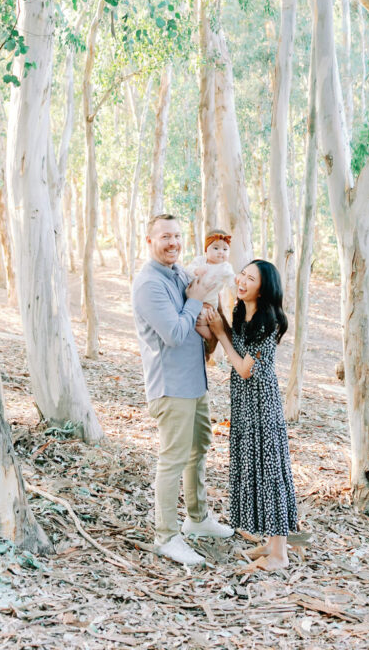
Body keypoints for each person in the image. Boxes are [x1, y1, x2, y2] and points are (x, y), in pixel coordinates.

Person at [132, 213, 234, 567]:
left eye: (176, 235)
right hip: (171, 387)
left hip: (194, 383)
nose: (173, 242)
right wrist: (194, 299)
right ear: (149, 241)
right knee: (173, 458)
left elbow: (200, 315)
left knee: (199, 447)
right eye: (164, 237)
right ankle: (166, 535)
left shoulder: (179, 273)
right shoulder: (149, 284)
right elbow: (175, 334)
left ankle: (197, 518)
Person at [205, 259, 298, 571]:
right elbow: (235, 345)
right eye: (242, 275)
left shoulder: (269, 320)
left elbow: (246, 368)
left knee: (271, 471)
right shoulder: (240, 311)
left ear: (264, 288)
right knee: (256, 466)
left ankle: (280, 554)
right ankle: (270, 544)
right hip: (244, 404)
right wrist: (219, 316)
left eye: (250, 279)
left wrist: (220, 332)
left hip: (263, 403)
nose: (242, 282)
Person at [185, 229, 236, 312]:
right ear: (206, 250)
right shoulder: (200, 260)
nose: (220, 252)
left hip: (209, 304)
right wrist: (196, 271)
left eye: (225, 249)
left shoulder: (225, 267)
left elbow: (232, 282)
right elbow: (187, 270)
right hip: (190, 299)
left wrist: (236, 292)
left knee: (203, 320)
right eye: (216, 248)